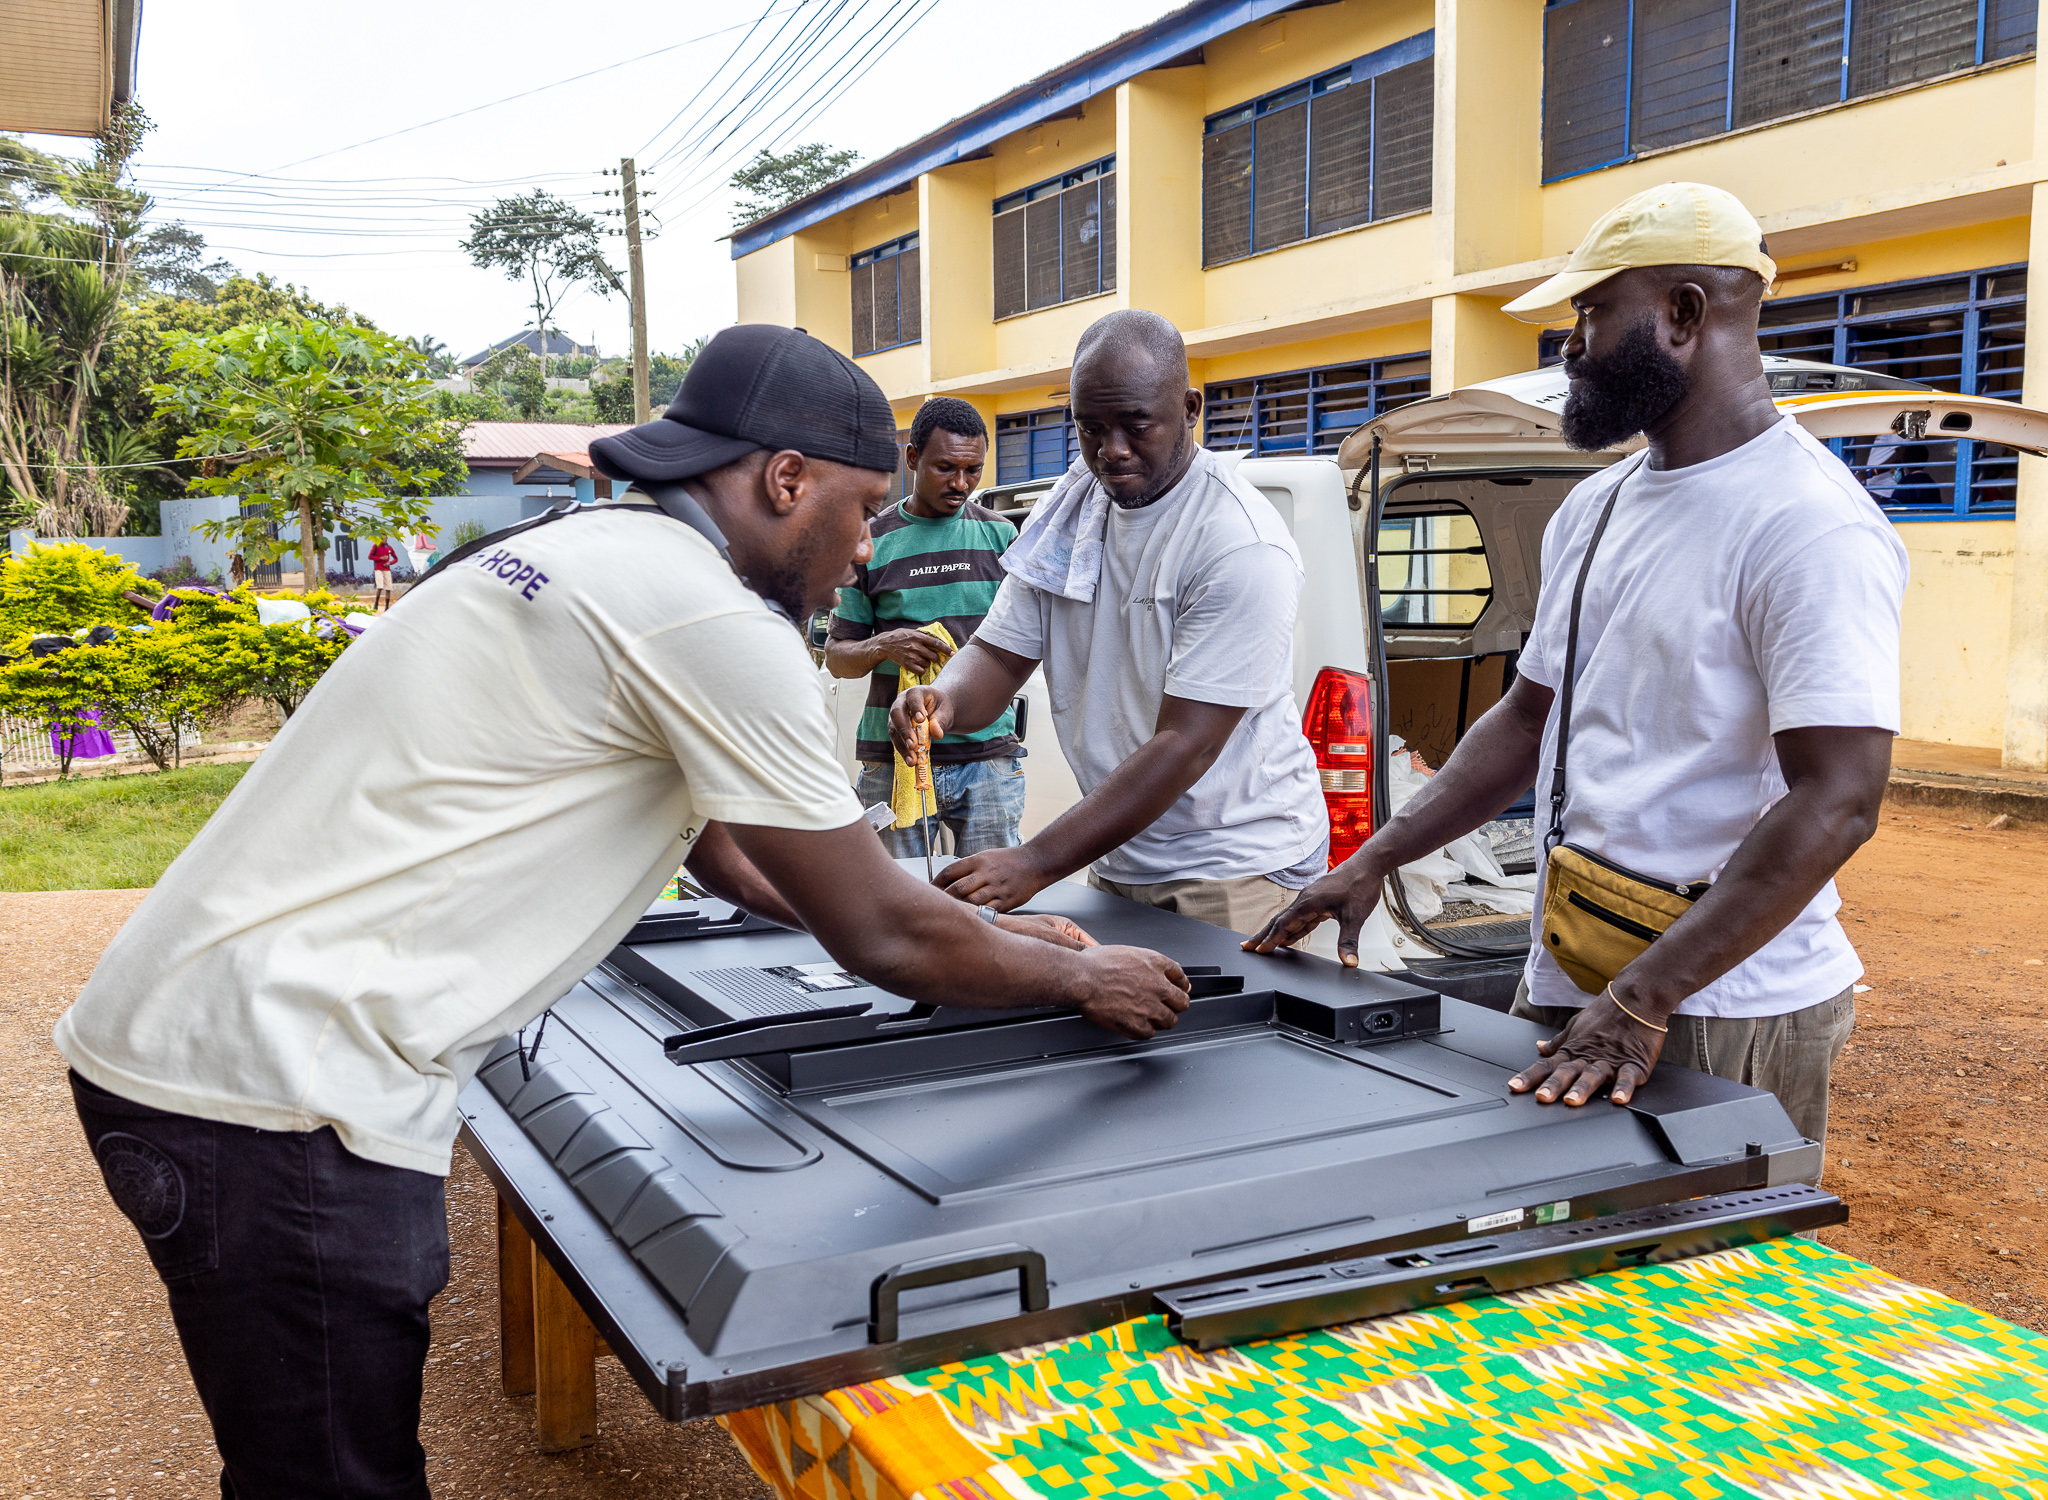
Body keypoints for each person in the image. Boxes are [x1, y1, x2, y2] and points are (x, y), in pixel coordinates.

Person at [54, 324, 1190, 1500]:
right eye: (859, 508)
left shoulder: (584, 549)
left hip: (200, 1039)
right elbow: (881, 935)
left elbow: (745, 865)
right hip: (277, 1092)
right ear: (782, 478)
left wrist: (1003, 937)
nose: (862, 551)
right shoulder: (707, 619)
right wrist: (1077, 978)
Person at [1247, 182, 1906, 1153]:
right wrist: (1371, 861)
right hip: (1575, 970)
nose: (1570, 344)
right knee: (1560, 1260)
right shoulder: (1600, 508)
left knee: (1702, 1286)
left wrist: (1642, 998)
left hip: (1720, 1005)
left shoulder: (1806, 525)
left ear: (1681, 312)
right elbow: (1523, 720)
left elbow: (1836, 799)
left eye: (1593, 313)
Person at [891, 309, 1327, 935]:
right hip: (1123, 852)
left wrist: (1037, 860)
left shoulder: (1238, 542)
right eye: (1090, 428)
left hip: (1236, 868)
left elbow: (1188, 743)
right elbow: (1002, 651)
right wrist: (943, 701)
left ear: (1191, 407)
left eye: (1135, 424)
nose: (1110, 450)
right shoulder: (1075, 504)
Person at [826, 396, 1025, 857]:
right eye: (945, 468)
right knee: (895, 907)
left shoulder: (1003, 538)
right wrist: (883, 645)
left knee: (994, 906)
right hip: (894, 757)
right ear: (912, 458)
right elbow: (838, 657)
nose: (961, 483)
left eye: (973, 470)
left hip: (988, 756)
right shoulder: (870, 541)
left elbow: (1023, 641)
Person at [368, 535, 398, 610]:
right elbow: (370, 557)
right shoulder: (376, 546)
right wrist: (380, 558)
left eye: (386, 538)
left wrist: (390, 563)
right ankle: (376, 603)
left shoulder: (389, 548)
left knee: (388, 588)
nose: (385, 540)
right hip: (378, 569)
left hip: (386, 569)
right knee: (380, 586)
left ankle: (387, 606)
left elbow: (395, 558)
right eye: (383, 539)